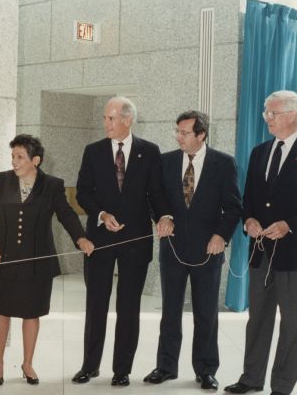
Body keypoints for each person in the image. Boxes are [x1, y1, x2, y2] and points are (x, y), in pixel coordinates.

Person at [73, 96, 174, 387]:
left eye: (111, 118)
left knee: (128, 308)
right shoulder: (92, 151)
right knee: (96, 305)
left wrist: (165, 217)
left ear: (127, 120)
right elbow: (82, 193)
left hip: (136, 242)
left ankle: (122, 370)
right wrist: (102, 214)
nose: (105, 123)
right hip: (100, 241)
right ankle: (89, 366)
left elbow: (156, 193)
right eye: (105, 118)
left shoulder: (149, 151)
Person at [0, 134, 94, 386]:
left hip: (37, 263)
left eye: (20, 157)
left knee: (31, 314)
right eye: (12, 156)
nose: (14, 161)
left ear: (36, 160)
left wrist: (81, 239)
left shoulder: (52, 185)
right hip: (4, 259)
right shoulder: (0, 181)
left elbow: (67, 215)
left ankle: (27, 363)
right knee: (2, 311)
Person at [143, 110, 241, 390]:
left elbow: (234, 206)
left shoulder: (223, 163)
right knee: (170, 311)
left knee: (206, 313)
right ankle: (165, 366)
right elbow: (156, 196)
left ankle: (206, 369)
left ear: (201, 135)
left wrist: (221, 235)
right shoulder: (166, 161)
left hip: (208, 251)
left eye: (184, 133)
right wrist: (163, 216)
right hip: (173, 247)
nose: (178, 137)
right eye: (177, 131)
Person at [225, 90, 297, 395]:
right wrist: (249, 220)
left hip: (293, 254)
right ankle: (251, 378)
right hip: (261, 252)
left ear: (293, 115)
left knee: (293, 324)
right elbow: (249, 199)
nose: (266, 118)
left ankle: (281, 385)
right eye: (266, 112)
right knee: (258, 319)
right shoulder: (259, 151)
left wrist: (290, 224)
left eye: (273, 113)